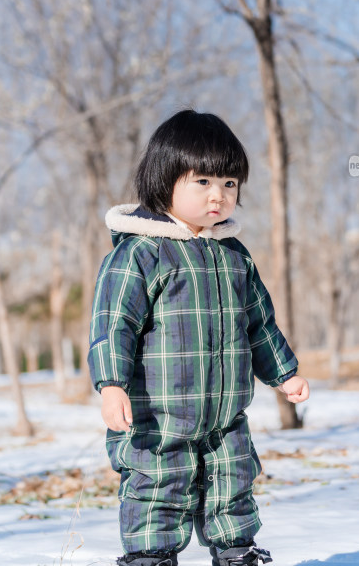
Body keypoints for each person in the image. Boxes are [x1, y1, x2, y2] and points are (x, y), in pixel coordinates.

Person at [88, 109, 309, 566]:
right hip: (157, 416)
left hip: (225, 411)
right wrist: (111, 385)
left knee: (233, 482)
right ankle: (151, 556)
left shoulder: (233, 256)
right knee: (157, 486)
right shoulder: (139, 254)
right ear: (164, 179)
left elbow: (259, 322)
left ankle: (237, 552)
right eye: (203, 182)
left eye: (229, 185)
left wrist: (284, 374)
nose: (219, 197)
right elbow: (114, 325)